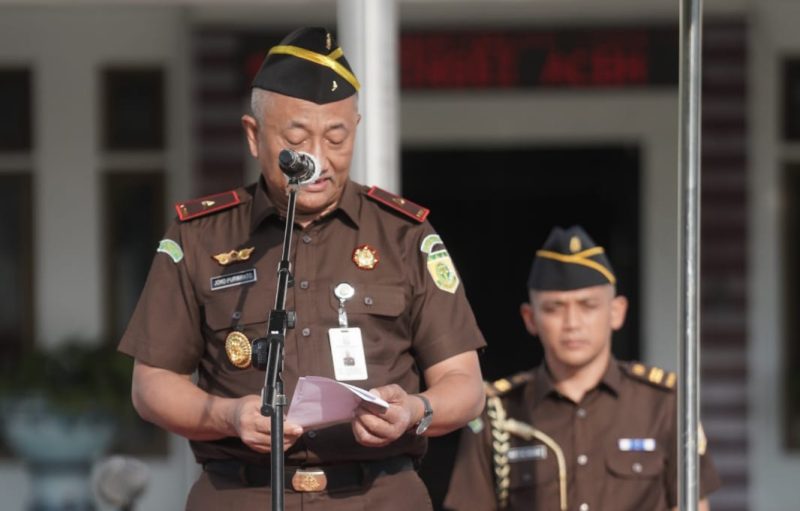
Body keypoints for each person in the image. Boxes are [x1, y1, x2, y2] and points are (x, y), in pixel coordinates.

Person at [118, 27, 486, 510]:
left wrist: (415, 410)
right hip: (243, 491)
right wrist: (229, 417)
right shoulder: (201, 236)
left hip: (377, 495)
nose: (318, 160)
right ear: (254, 135)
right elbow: (152, 385)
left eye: (337, 138)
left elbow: (465, 383)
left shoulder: (405, 235)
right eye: (297, 139)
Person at [444, 225, 721, 511]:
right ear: (530, 318)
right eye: (554, 308)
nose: (572, 323)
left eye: (588, 306)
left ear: (617, 312)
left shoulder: (664, 403)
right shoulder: (498, 412)